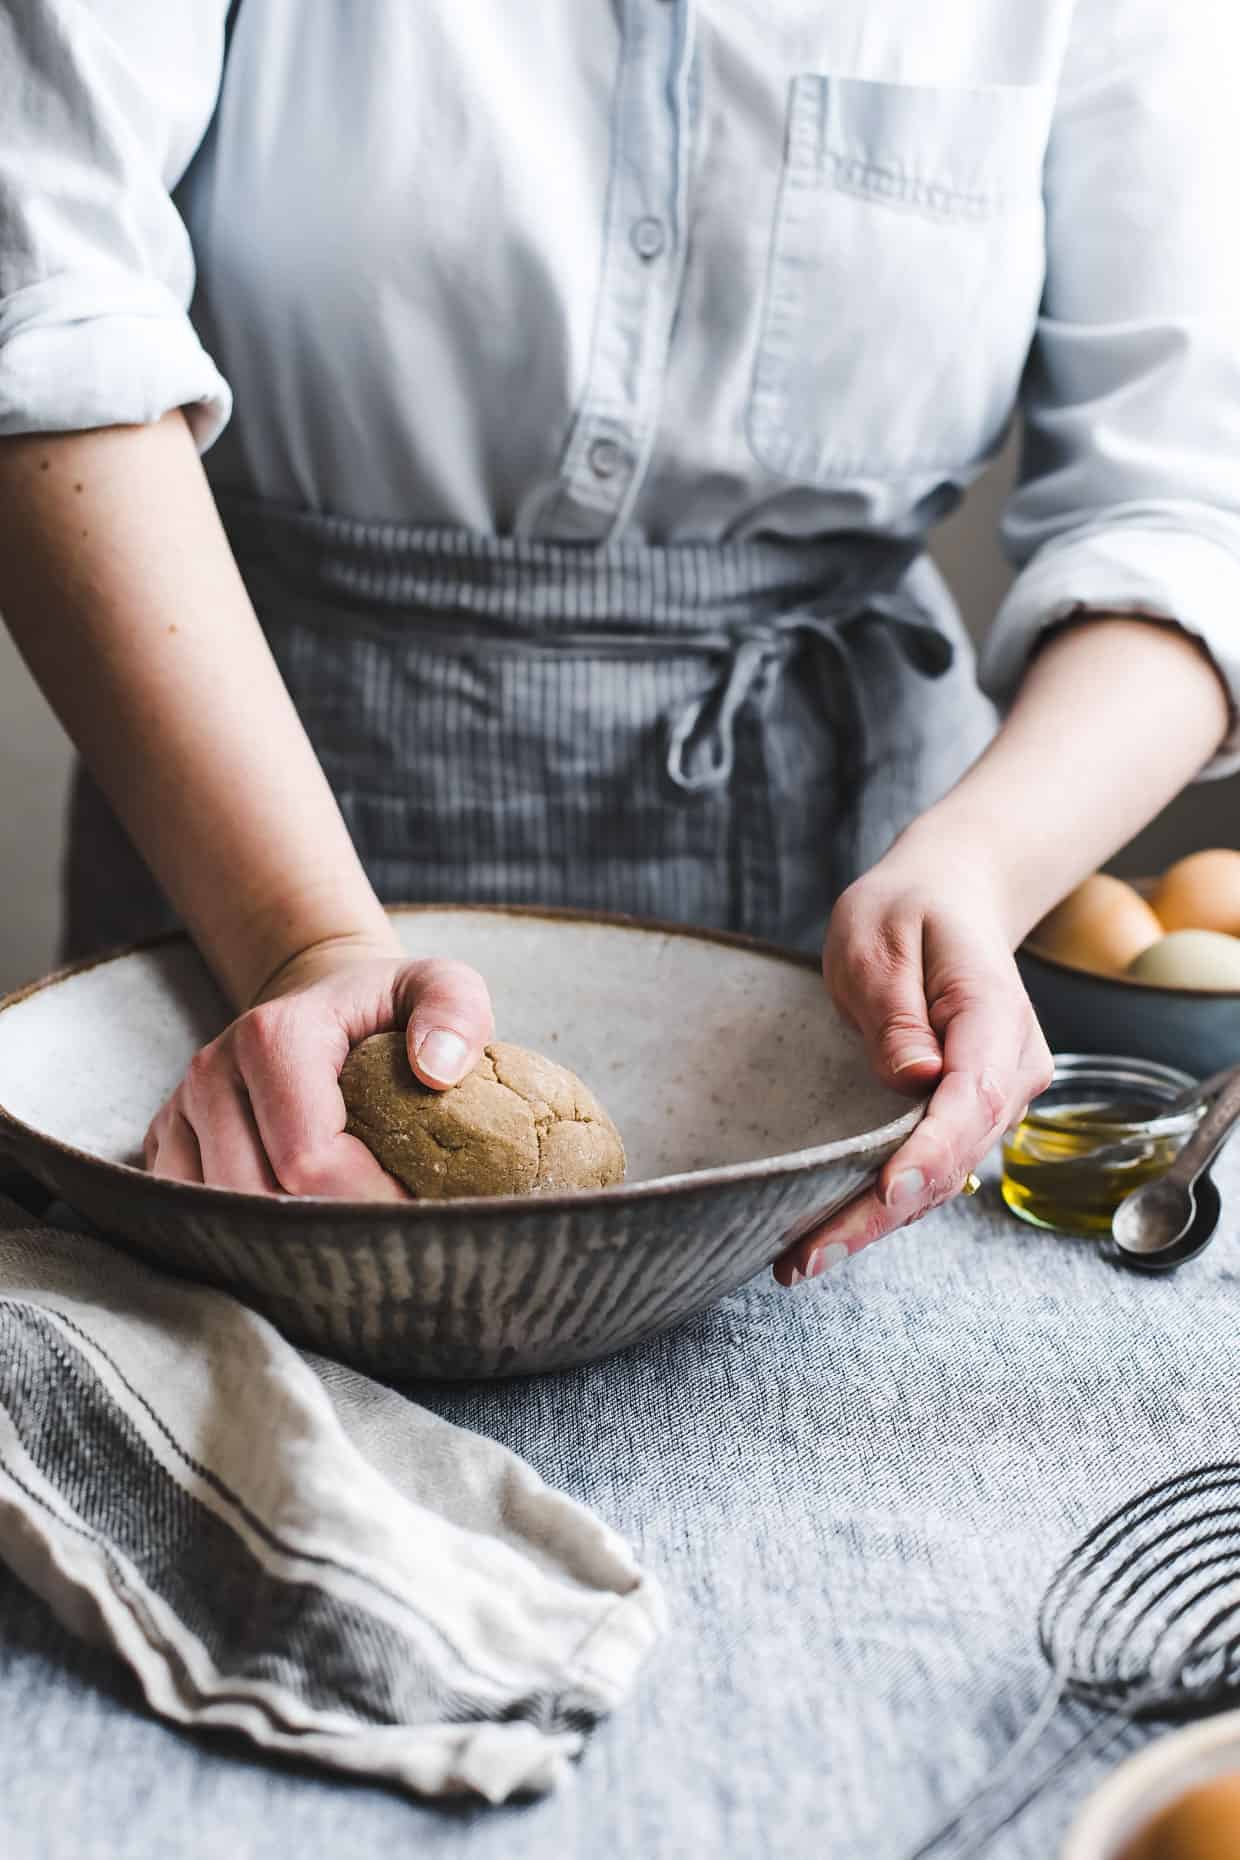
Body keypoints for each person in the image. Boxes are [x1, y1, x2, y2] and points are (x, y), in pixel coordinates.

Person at [1, 3, 1235, 1288]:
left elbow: (1186, 507)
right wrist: (305, 946)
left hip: (861, 926)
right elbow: (45, 293)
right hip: (250, 845)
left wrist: (980, 870)